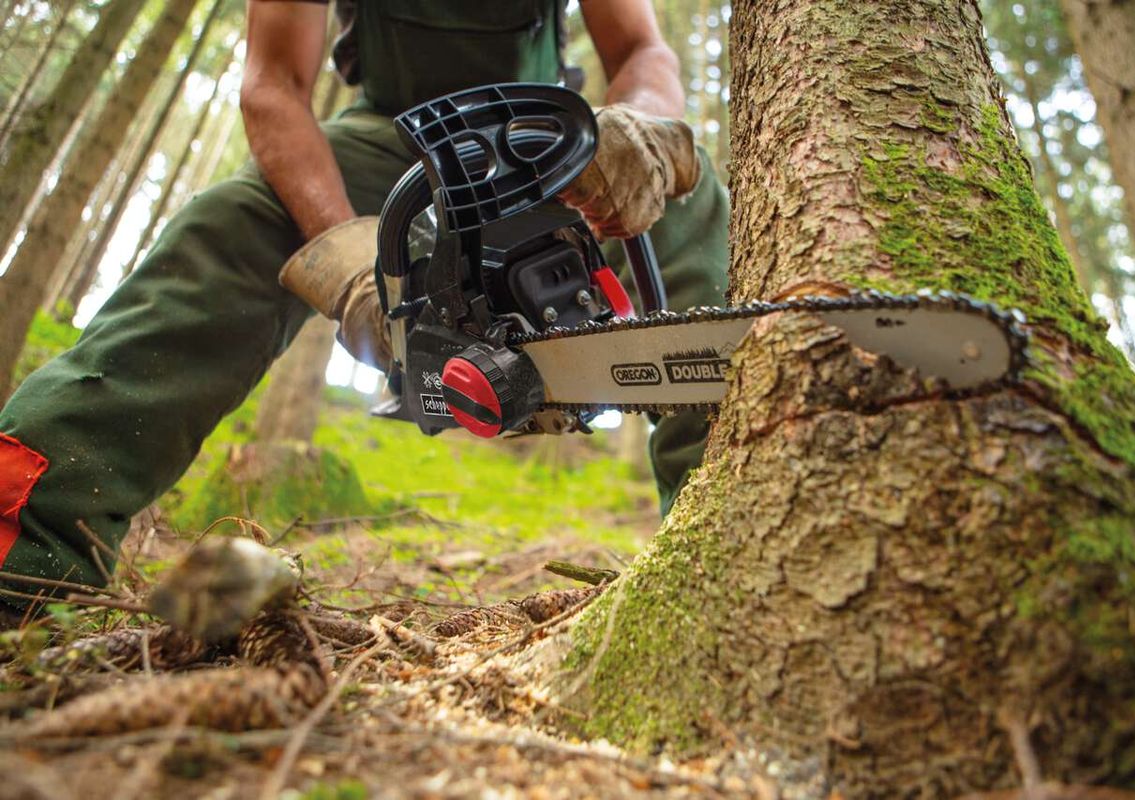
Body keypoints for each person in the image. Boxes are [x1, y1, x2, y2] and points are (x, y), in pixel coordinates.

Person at [0, 0, 729, 618]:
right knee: (235, 223)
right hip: (391, 137)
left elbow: (641, 47)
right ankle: (28, 534)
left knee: (689, 205)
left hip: (535, 137)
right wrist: (344, 253)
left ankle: (724, 544)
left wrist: (637, 129)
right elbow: (273, 85)